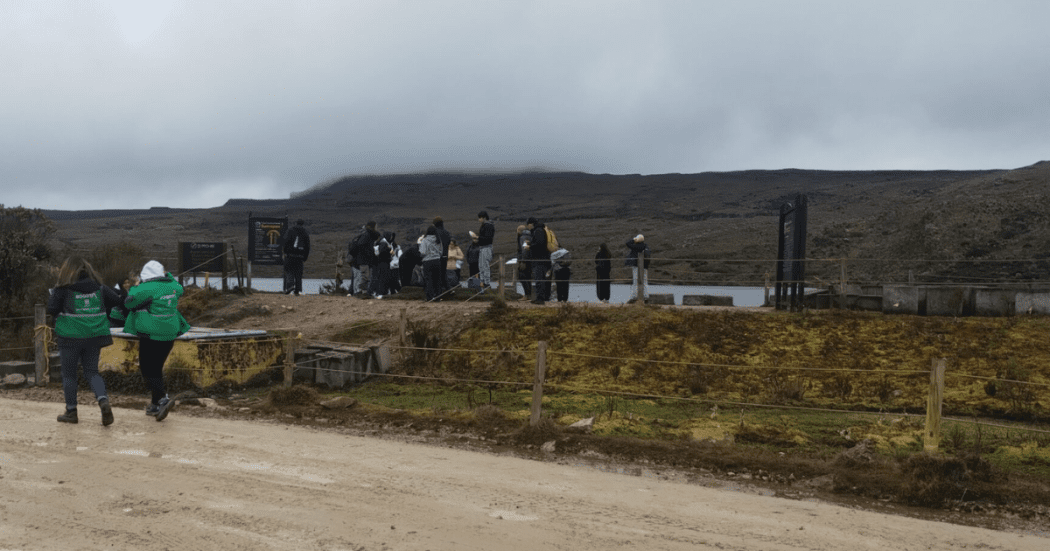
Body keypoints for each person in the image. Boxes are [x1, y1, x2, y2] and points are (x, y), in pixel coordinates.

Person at [47, 257, 124, 425]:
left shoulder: (63, 289)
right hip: (94, 336)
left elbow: (51, 309)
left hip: (70, 337)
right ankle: (103, 400)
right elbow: (117, 301)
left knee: (69, 374)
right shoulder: (99, 288)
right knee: (92, 372)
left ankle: (71, 412)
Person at [123, 260, 191, 422]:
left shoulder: (145, 288)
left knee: (147, 369)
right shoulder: (174, 287)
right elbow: (179, 287)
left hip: (151, 333)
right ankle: (155, 404)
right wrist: (167, 276)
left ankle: (162, 399)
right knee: (156, 368)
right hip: (170, 333)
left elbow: (129, 302)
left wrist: (136, 285)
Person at [347, 221, 379, 296]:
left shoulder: (367, 235)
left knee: (362, 276)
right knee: (363, 276)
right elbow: (362, 245)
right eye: (376, 226)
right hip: (362, 261)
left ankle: (359, 292)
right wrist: (369, 254)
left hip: (361, 260)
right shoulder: (367, 235)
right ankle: (359, 292)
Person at [526, 217, 552, 304]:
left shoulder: (538, 230)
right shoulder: (541, 229)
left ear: (531, 224)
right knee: (542, 279)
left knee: (539, 278)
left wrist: (530, 247)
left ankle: (540, 298)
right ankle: (543, 297)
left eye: (528, 225)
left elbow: (539, 244)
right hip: (544, 258)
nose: (528, 227)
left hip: (539, 259)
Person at [282, 219, 310, 295]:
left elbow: (285, 241)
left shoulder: (290, 231)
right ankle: (297, 290)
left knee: (289, 271)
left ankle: (290, 286)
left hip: (290, 255)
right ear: (302, 224)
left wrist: (285, 252)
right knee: (298, 274)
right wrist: (305, 257)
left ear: (296, 223)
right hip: (300, 257)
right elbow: (307, 246)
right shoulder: (305, 233)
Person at [419, 227, 443, 301]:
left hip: (427, 261)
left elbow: (423, 252)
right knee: (437, 279)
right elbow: (441, 252)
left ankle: (430, 297)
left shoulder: (425, 240)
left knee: (429, 280)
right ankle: (438, 297)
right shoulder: (438, 240)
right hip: (437, 261)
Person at [625, 234, 650, 302]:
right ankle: (646, 296)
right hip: (645, 266)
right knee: (645, 281)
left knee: (635, 281)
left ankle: (634, 296)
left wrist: (633, 239)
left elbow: (627, 243)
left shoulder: (637, 246)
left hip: (636, 266)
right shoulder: (645, 246)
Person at [476, 211, 495, 289]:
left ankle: (486, 282)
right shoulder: (485, 226)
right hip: (483, 247)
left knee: (485, 265)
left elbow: (488, 238)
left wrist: (478, 238)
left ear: (484, 218)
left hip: (486, 248)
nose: (479, 220)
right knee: (481, 265)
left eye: (480, 218)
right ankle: (483, 281)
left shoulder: (488, 226)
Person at [432, 217, 452, 293]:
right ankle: (448, 289)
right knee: (443, 273)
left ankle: (438, 291)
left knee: (436, 274)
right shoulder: (447, 233)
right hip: (445, 256)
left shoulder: (435, 233)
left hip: (437, 256)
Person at [371, 232, 393, 298]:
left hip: (379, 263)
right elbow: (383, 253)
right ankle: (381, 292)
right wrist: (389, 252)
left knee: (379, 277)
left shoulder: (380, 242)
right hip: (384, 263)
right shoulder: (384, 243)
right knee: (383, 278)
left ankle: (378, 292)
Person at [516, 225, 532, 301]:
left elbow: (524, 249)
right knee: (528, 277)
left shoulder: (523, 237)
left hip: (525, 260)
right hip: (530, 259)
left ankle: (527, 295)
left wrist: (523, 261)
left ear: (519, 230)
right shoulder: (530, 236)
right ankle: (528, 295)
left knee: (522, 276)